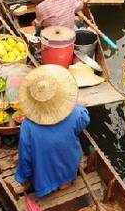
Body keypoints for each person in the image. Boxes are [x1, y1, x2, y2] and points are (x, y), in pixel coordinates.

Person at [14, 65, 89, 196]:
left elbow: (25, 156)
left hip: (43, 174)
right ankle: (65, 183)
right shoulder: (75, 112)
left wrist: (23, 178)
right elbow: (84, 119)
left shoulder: (27, 125)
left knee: (42, 171)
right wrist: (77, 104)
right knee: (65, 173)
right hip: (68, 165)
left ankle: (49, 187)